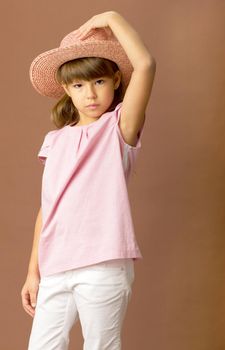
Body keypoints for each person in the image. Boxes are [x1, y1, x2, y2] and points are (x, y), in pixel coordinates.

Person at [21, 10, 156, 350]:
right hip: (55, 266)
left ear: (115, 81)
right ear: (66, 89)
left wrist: (111, 19)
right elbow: (47, 208)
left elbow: (145, 65)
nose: (90, 94)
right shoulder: (55, 140)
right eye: (79, 85)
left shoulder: (119, 128)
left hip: (103, 264)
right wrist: (32, 271)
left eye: (99, 82)